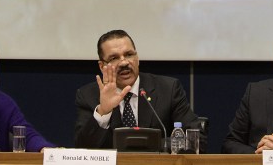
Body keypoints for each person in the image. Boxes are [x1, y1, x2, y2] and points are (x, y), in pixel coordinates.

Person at [74, 29, 204, 151]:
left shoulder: (168, 89)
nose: (124, 62)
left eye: (129, 54)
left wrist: (146, 145)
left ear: (137, 58)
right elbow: (82, 149)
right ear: (102, 66)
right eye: (114, 58)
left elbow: (197, 141)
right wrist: (104, 112)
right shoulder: (88, 95)